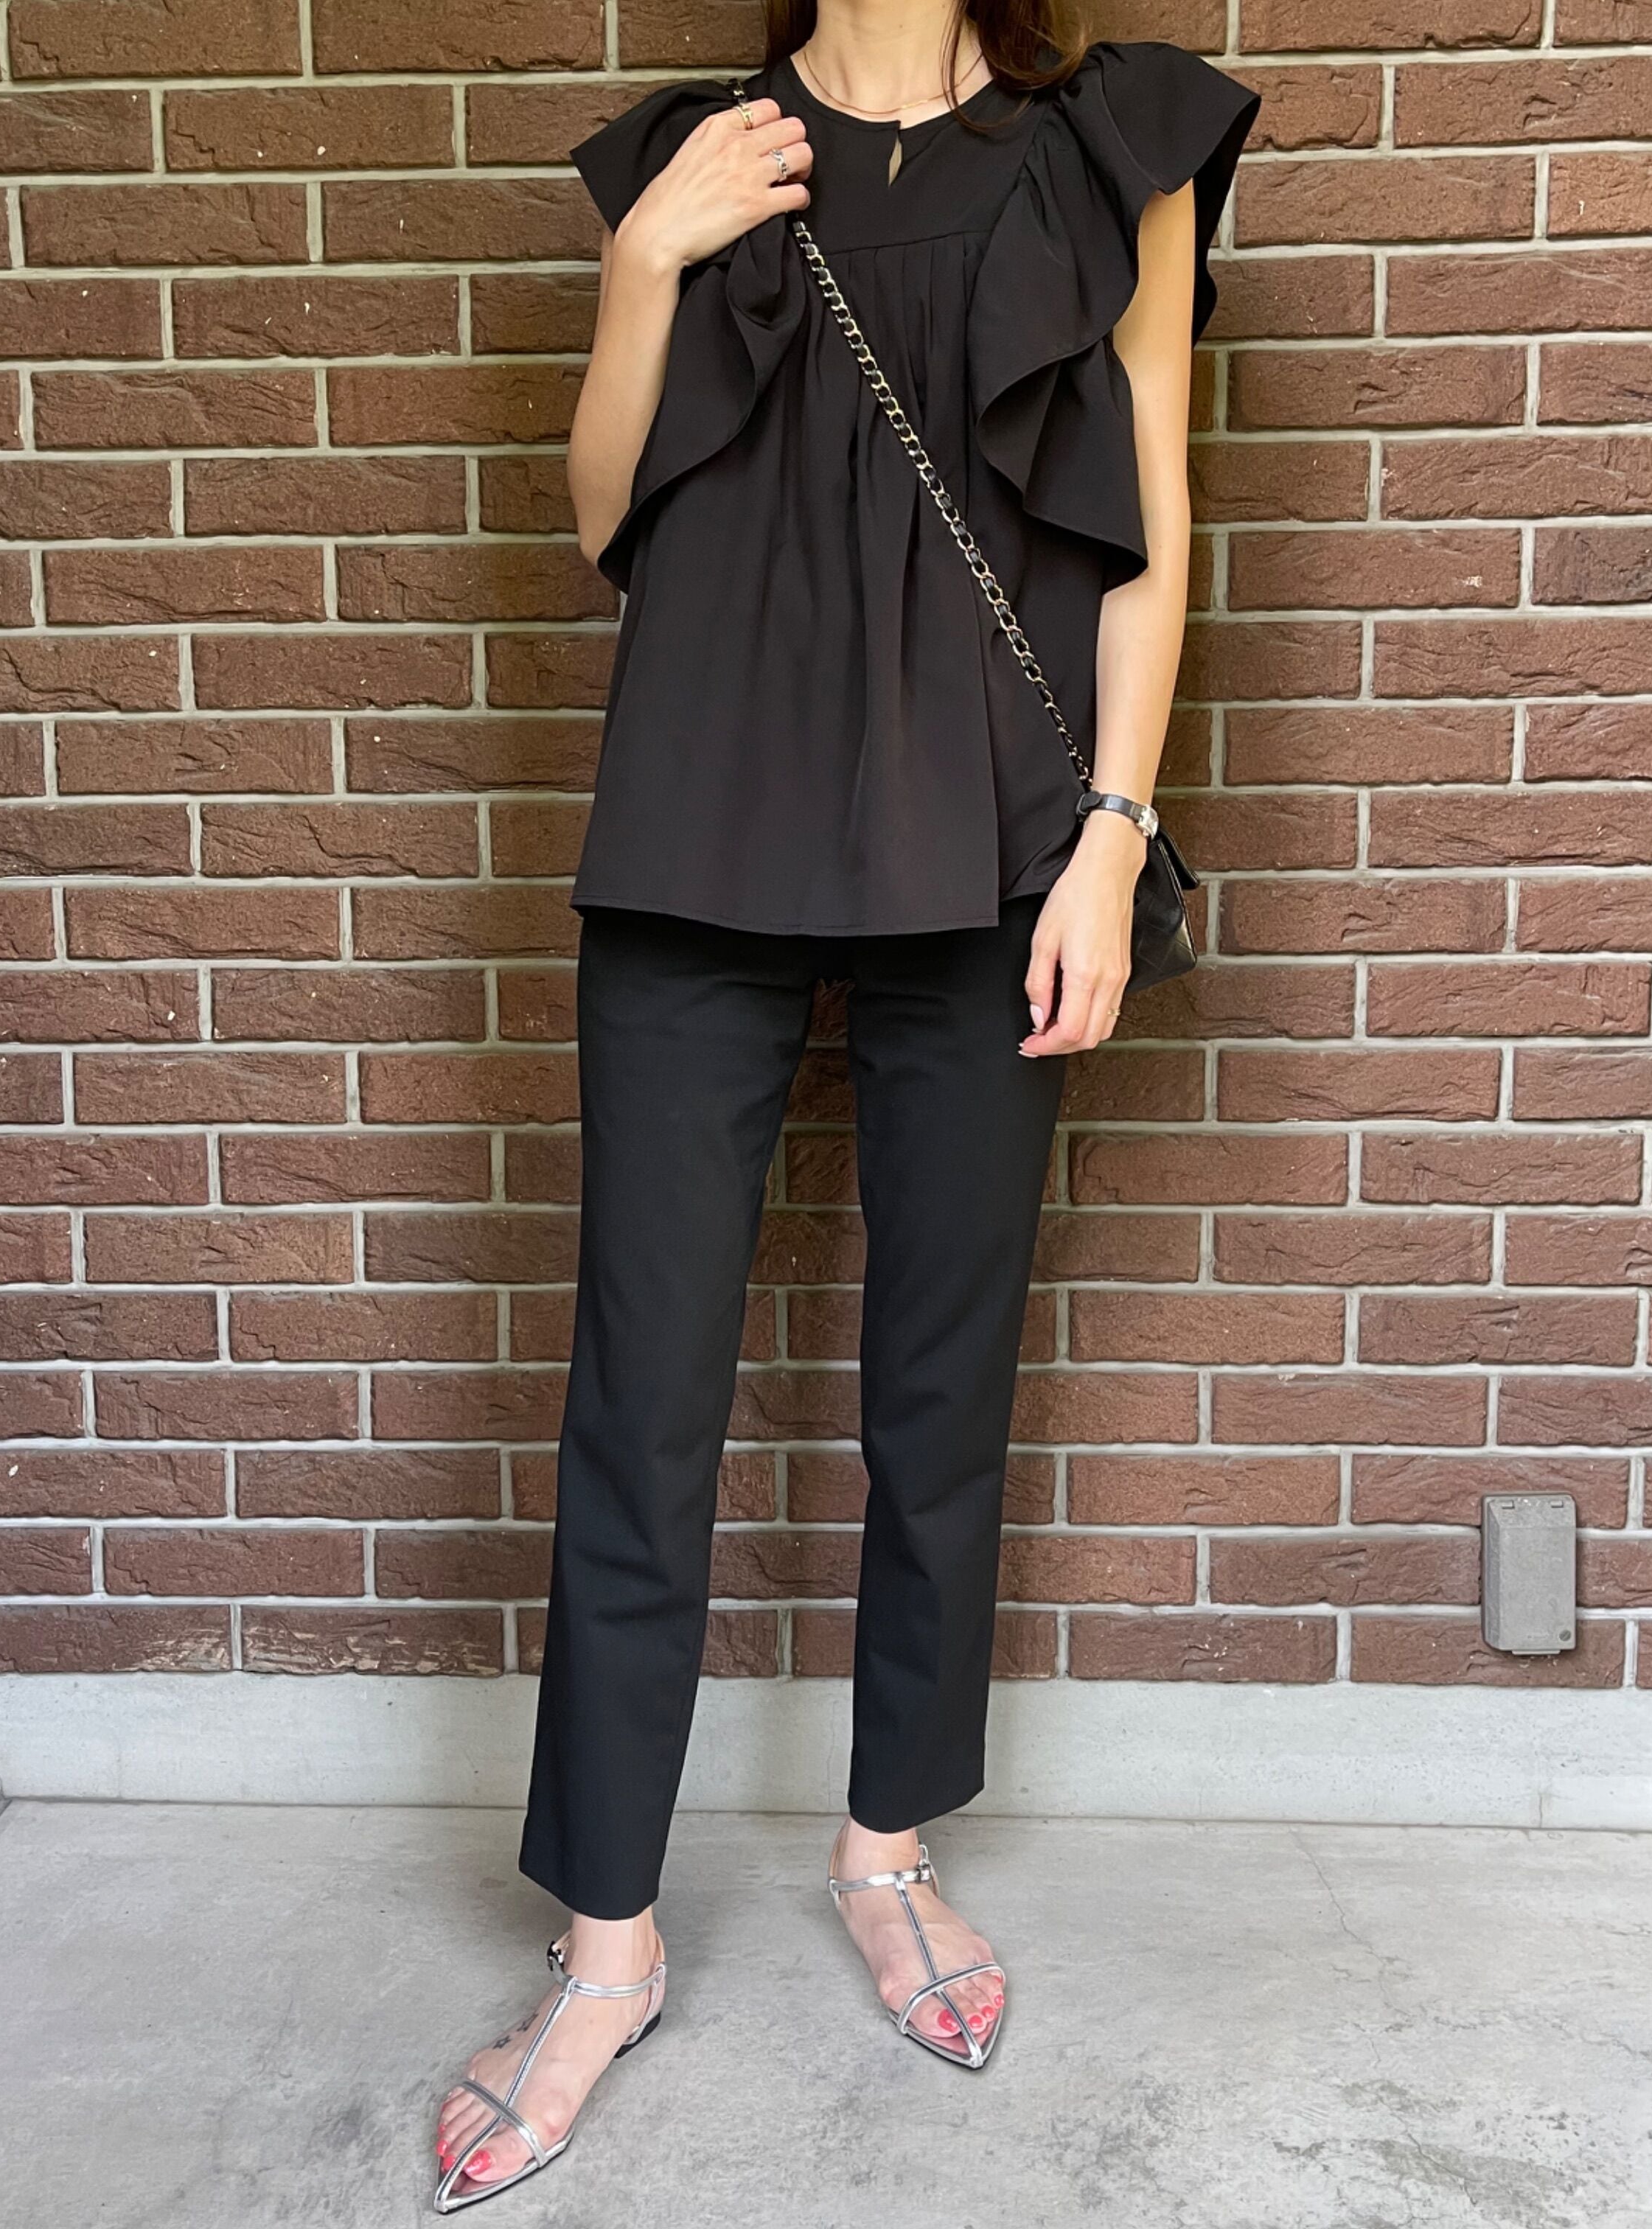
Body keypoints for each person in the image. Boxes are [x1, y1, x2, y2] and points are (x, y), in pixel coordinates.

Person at [431, 0, 1257, 2206]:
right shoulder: (697, 157)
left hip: (997, 854)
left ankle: (887, 1852)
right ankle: (606, 1945)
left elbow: (1153, 515)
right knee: (640, 1403)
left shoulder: (1113, 148)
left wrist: (1112, 836)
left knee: (942, 1390)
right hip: (697, 827)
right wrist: (647, 259)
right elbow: (599, 519)